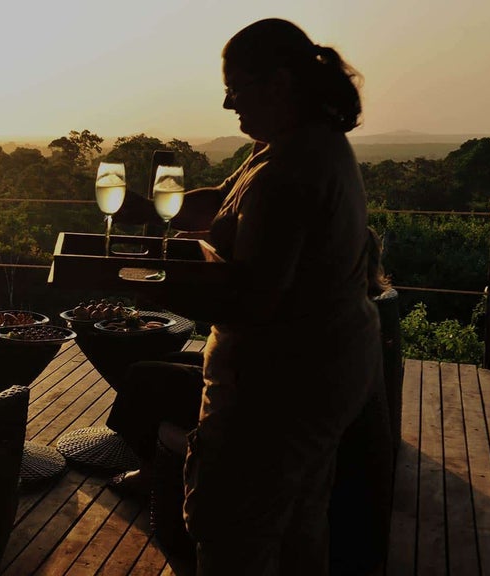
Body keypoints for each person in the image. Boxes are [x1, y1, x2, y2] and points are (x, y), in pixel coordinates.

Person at [114, 19, 384, 574]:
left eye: (235, 88)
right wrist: (151, 209)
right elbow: (222, 199)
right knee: (296, 526)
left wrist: (143, 282)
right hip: (321, 376)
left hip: (280, 387)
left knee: (230, 527)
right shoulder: (292, 141)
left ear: (279, 83)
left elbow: (254, 302)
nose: (227, 102)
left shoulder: (294, 170)